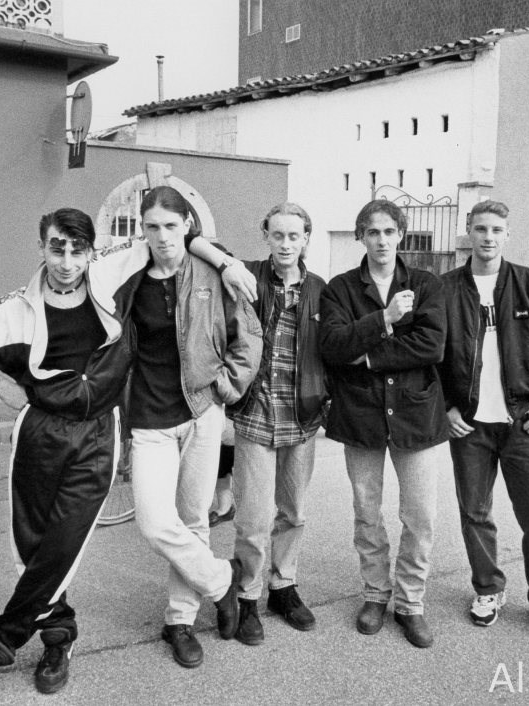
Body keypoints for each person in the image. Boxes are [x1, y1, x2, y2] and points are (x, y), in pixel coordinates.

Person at [0, 208, 134, 703]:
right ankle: (59, 634)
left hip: (97, 432)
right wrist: (2, 387)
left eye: (77, 250)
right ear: (41, 248)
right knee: (32, 539)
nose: (67, 262)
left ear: (91, 250)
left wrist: (226, 263)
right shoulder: (15, 308)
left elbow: (174, 231)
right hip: (40, 430)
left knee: (66, 537)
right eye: (56, 248)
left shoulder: (111, 274)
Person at [87, 185, 263, 668]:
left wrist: (227, 386)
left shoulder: (212, 271)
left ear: (187, 225)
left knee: (193, 520)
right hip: (149, 417)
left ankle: (180, 621)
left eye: (171, 225)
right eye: (152, 226)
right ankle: (223, 581)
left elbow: (248, 333)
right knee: (153, 522)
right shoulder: (129, 276)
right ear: (141, 230)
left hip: (201, 411)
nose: (162, 236)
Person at [438, 200, 529, 645]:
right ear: (468, 232)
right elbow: (431, 357)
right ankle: (488, 589)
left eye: (497, 229)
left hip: (522, 422)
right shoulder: (445, 289)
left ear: (507, 234)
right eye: (480, 228)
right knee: (474, 512)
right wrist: (447, 408)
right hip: (470, 425)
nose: (488, 237)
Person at [319, 199, 449, 648]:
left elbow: (432, 346)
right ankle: (375, 594)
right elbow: (334, 347)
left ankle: (410, 602)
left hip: (415, 414)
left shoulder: (426, 284)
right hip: (361, 415)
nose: (381, 240)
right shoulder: (340, 289)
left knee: (420, 515)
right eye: (372, 232)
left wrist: (370, 355)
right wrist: (386, 319)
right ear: (361, 236)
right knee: (367, 512)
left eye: (389, 231)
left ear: (401, 235)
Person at [207, 202, 329, 646]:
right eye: (278, 235)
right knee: (254, 518)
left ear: (306, 238)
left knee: (293, 512)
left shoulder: (319, 289)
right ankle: (247, 595)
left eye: (294, 236)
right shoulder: (247, 276)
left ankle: (283, 586)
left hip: (301, 416)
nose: (286, 244)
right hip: (256, 414)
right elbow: (199, 247)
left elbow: (330, 348)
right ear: (266, 236)